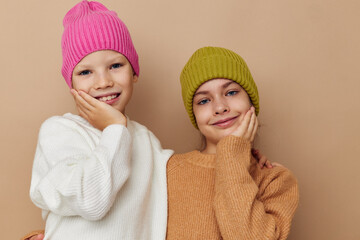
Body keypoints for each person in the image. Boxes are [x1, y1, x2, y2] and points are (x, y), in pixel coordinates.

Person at [28, 0, 173, 239]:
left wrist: (243, 157)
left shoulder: (147, 141)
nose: (103, 82)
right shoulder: (58, 132)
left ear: (134, 72)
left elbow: (190, 176)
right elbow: (92, 200)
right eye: (85, 72)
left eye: (115, 65)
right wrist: (115, 128)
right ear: (71, 83)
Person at [165, 46, 299, 239]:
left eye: (231, 93)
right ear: (193, 114)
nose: (220, 107)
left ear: (251, 101)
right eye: (203, 101)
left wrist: (233, 157)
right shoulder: (169, 170)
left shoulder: (275, 180)